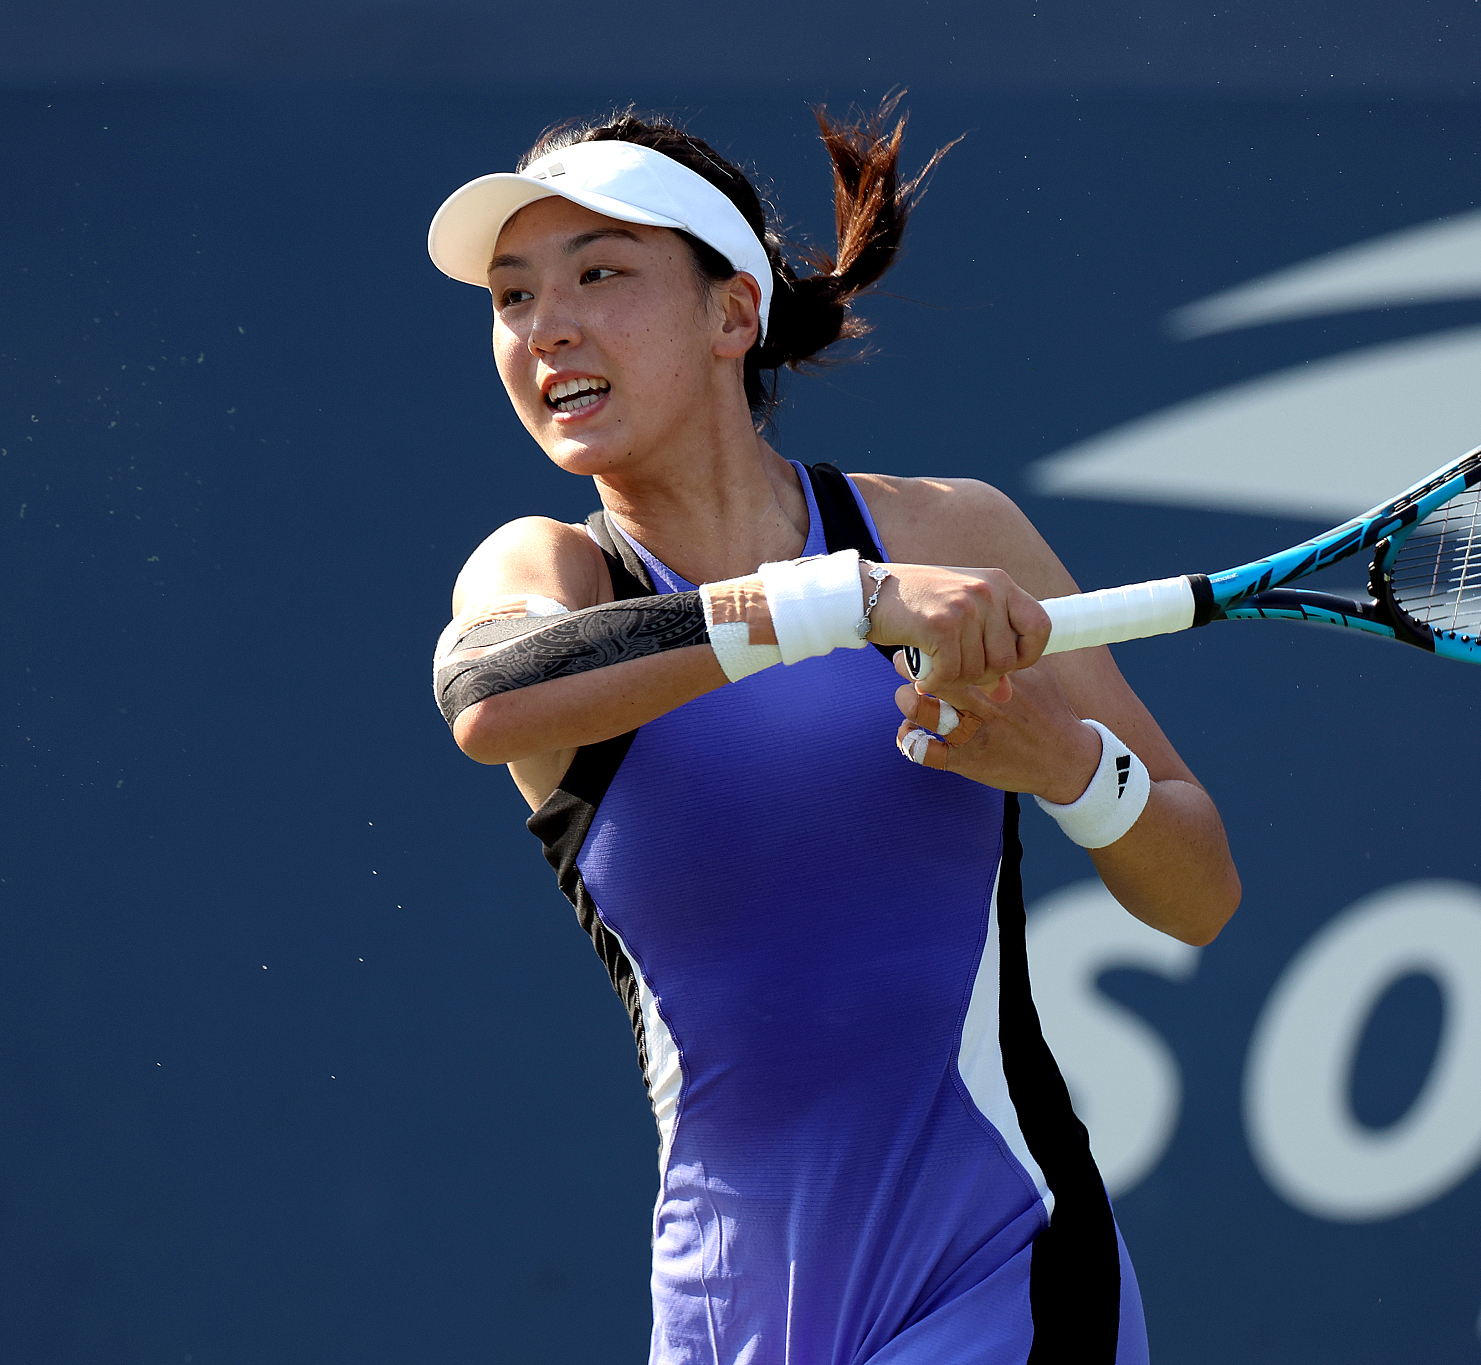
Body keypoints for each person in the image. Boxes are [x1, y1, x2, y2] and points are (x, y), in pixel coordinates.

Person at [426, 100, 1239, 1365]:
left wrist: (1067, 770)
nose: (548, 327)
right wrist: (842, 599)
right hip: (725, 1316)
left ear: (730, 314)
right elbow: (490, 691)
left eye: (601, 274)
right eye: (512, 296)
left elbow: (1199, 891)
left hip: (1007, 1276)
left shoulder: (950, 535)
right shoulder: (550, 574)